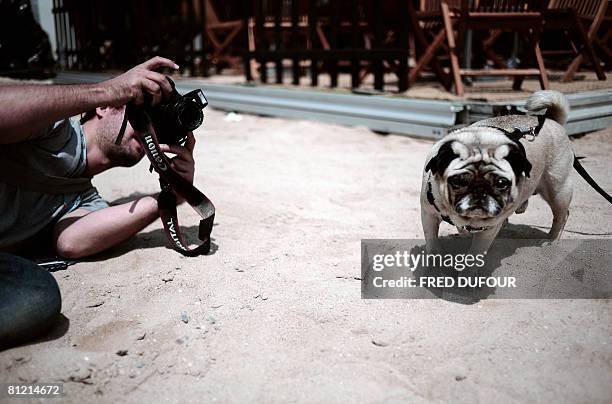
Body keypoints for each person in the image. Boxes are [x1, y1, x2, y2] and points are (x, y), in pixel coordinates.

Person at [0, 56, 196, 348]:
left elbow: (72, 242)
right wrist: (107, 89)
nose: (149, 130)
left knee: (38, 297)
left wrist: (172, 195)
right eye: (141, 114)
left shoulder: (87, 199)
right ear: (105, 107)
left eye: (155, 124)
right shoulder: (52, 126)